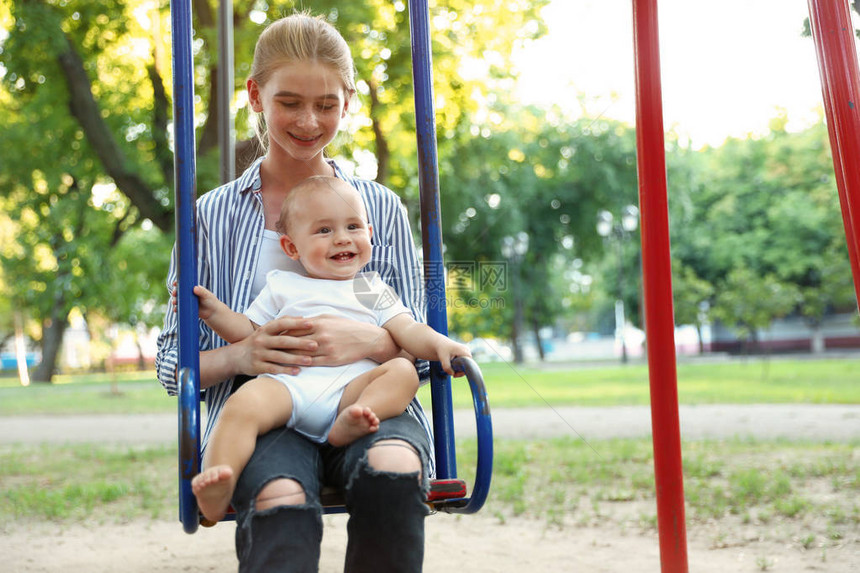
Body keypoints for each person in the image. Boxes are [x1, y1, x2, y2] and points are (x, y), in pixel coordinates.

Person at [156, 12, 439, 571]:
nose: (309, 121)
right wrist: (242, 353)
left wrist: (375, 342)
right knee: (277, 497)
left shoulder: (377, 208)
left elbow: (424, 349)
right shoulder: (209, 217)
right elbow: (171, 363)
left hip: (366, 400)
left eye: (326, 104)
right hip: (271, 409)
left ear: (348, 102)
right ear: (256, 95)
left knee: (392, 467)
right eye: (289, 102)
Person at [185, 176, 470, 523]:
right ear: (292, 248)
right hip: (290, 387)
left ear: (368, 232)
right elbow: (248, 332)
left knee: (402, 372)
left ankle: (358, 418)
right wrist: (214, 313)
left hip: (351, 393)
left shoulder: (371, 287)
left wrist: (440, 343)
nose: (341, 238)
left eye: (353, 226)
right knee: (243, 403)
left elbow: (407, 330)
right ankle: (217, 482)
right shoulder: (283, 285)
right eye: (323, 231)